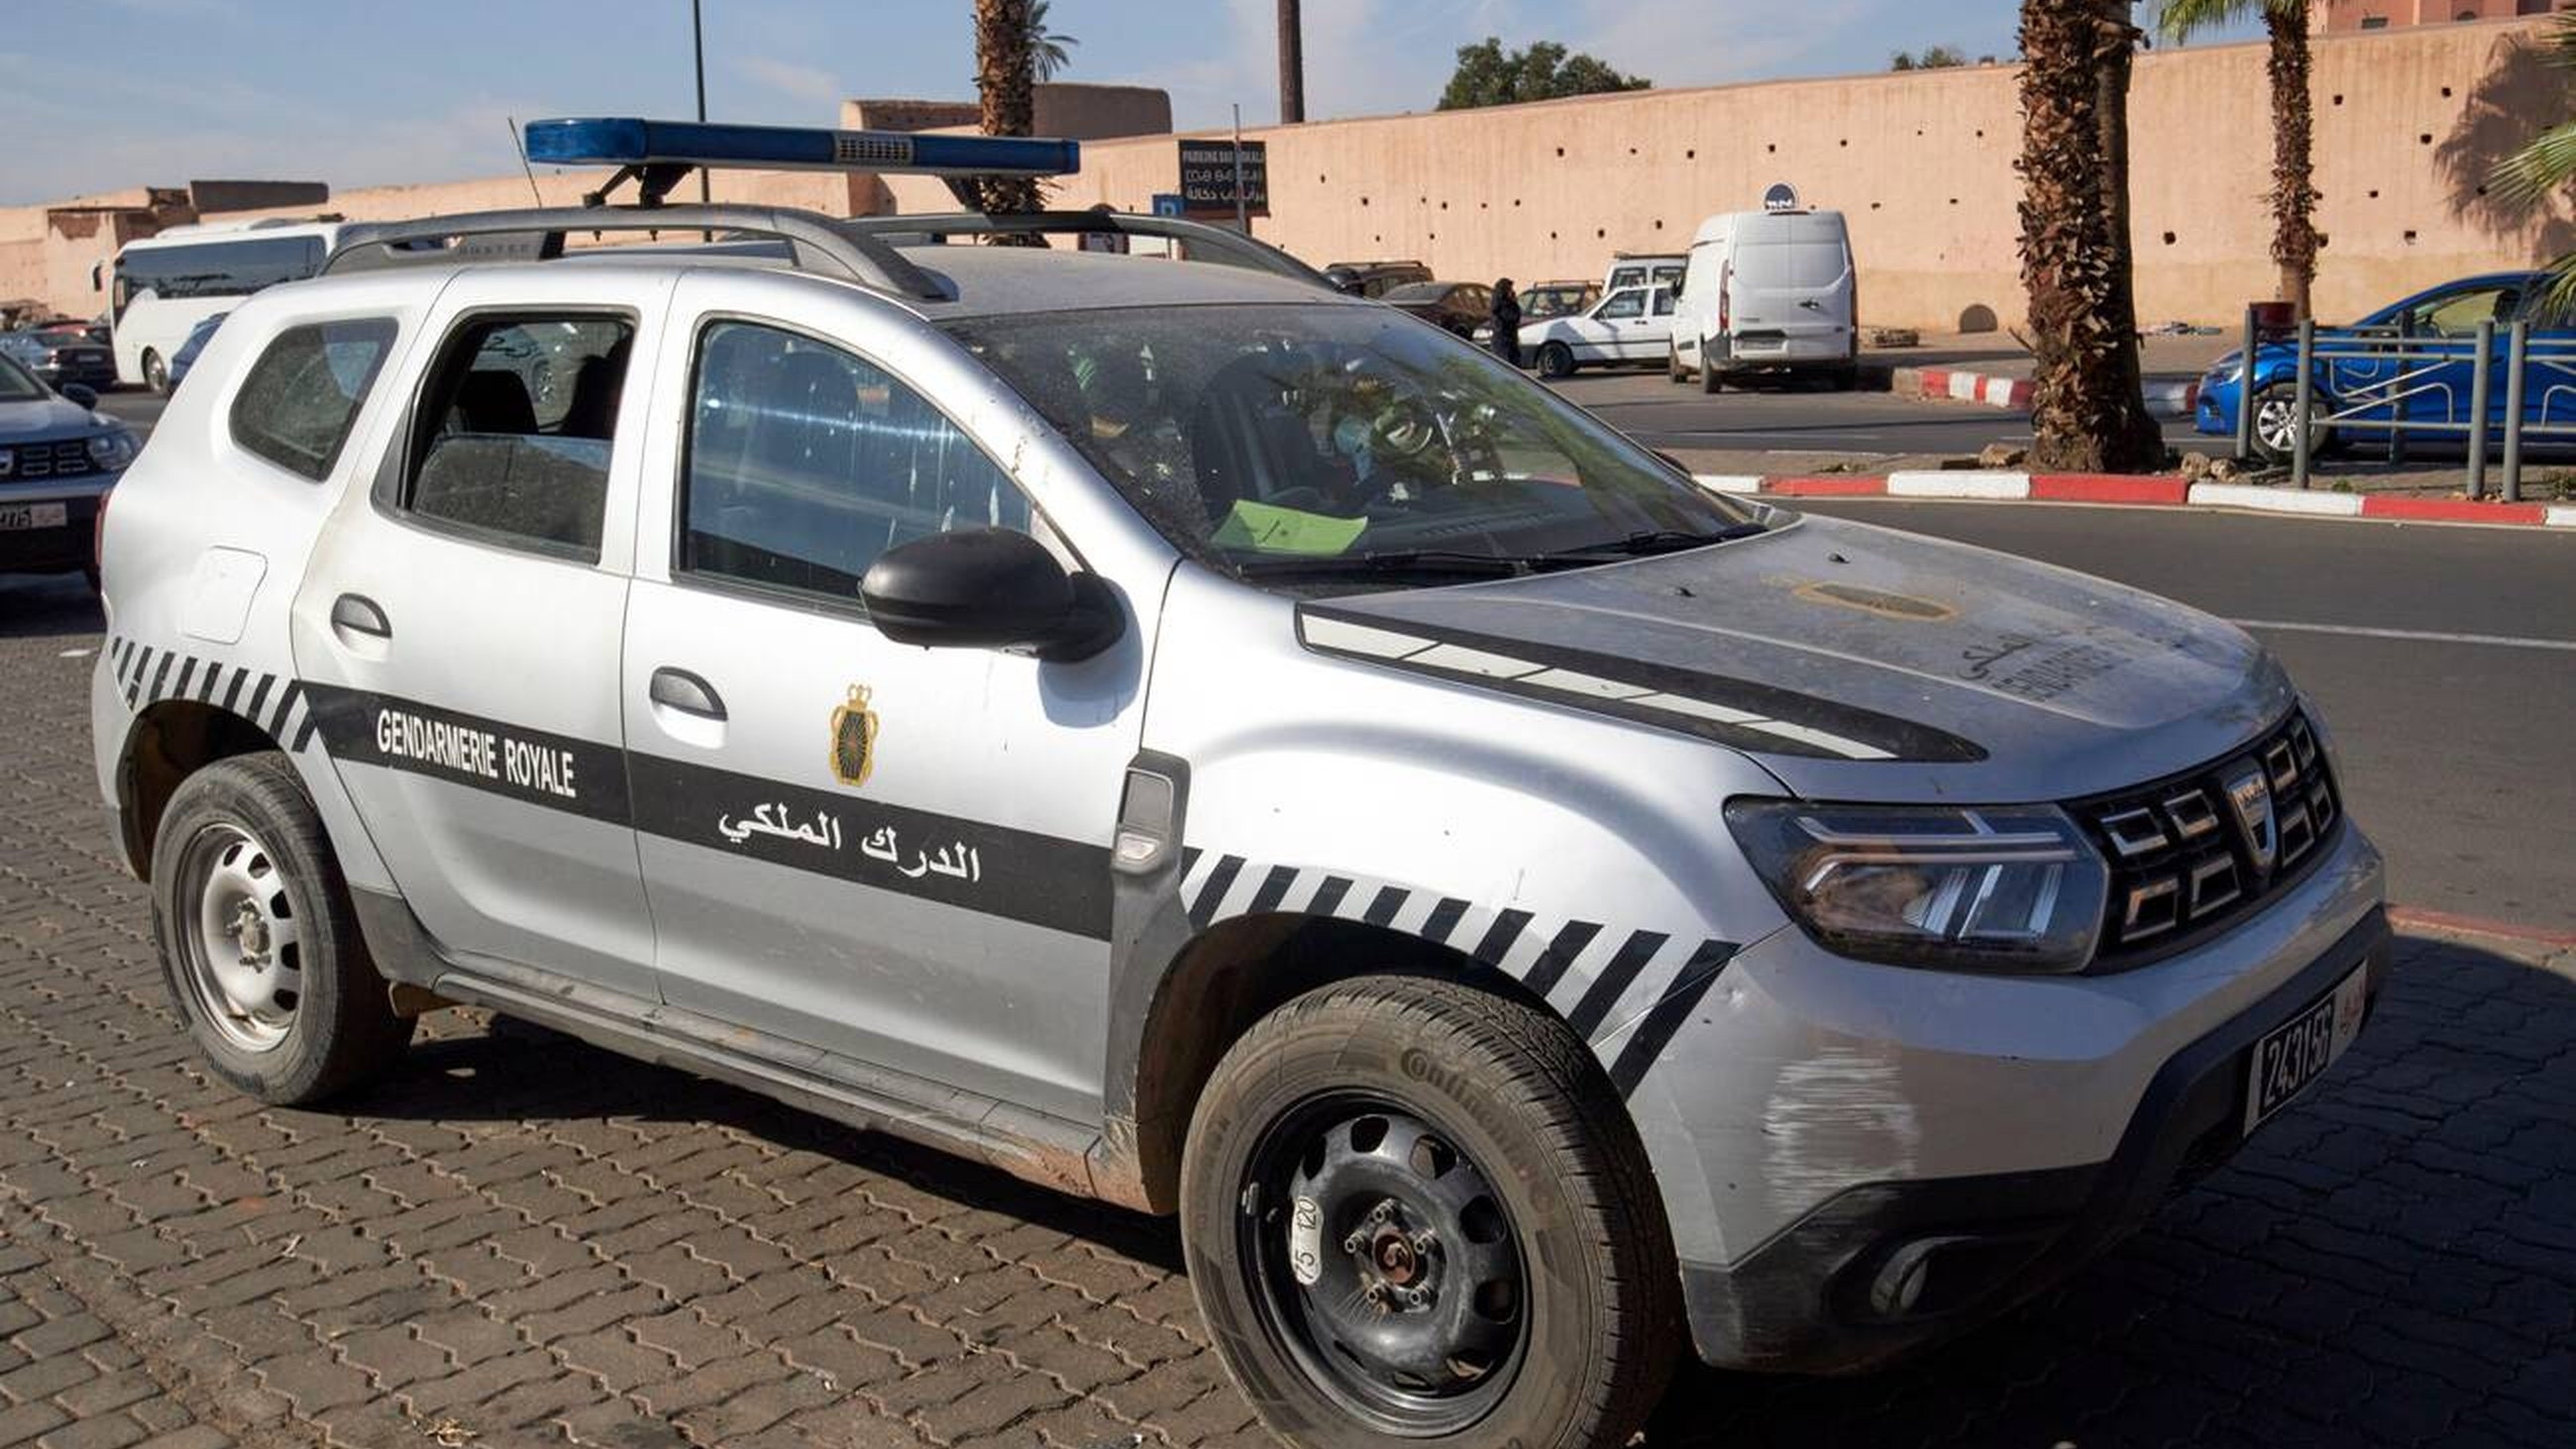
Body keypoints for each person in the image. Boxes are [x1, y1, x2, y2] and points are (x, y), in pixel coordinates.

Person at [1488, 278, 1523, 367]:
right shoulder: (1499, 304)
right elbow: (1508, 318)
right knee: (1505, 365)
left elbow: (1517, 317)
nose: (1512, 291)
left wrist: (1514, 302)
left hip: (1511, 339)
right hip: (1502, 340)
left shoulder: (1509, 302)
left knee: (1514, 364)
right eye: (1509, 288)